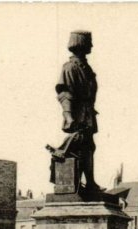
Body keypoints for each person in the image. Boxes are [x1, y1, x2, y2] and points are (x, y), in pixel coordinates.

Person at [52, 30, 103, 193]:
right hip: (78, 114)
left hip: (87, 113)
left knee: (88, 147)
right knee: (79, 146)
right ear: (80, 43)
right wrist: (68, 115)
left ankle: (89, 183)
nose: (92, 46)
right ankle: (75, 184)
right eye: (89, 42)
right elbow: (64, 93)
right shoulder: (70, 68)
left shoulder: (87, 69)